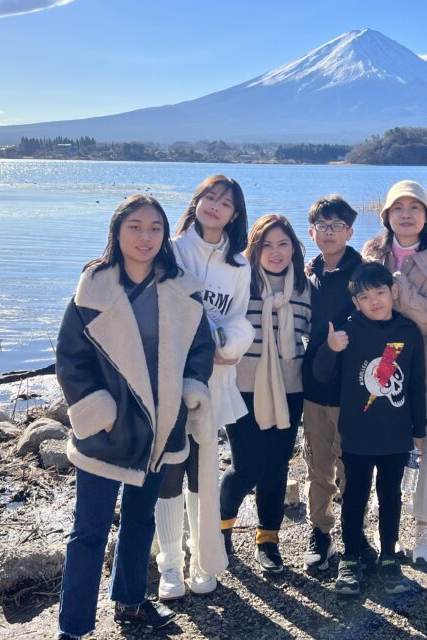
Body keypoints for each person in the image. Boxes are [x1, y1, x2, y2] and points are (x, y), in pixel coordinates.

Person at [54, 195, 218, 638]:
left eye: (155, 228)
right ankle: (73, 627)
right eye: (135, 227)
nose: (145, 237)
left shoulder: (180, 285)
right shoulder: (95, 286)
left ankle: (129, 602)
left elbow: (202, 347)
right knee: (88, 531)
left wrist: (190, 390)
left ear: (165, 235)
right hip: (108, 428)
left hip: (161, 424)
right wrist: (99, 411)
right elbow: (70, 357)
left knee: (140, 520)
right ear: (117, 231)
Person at [155, 175, 254, 599]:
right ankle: (169, 565)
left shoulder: (240, 264)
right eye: (209, 197)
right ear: (196, 202)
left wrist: (230, 342)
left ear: (235, 214)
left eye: (225, 202)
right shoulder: (172, 251)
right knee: (169, 468)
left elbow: (238, 316)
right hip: (168, 378)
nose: (215, 206)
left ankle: (202, 558)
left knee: (202, 469)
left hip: (213, 379)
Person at [313, 262, 427, 596]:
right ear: (356, 301)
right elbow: (321, 375)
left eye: (379, 292)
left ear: (392, 292)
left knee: (390, 495)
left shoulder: (407, 331)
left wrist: (419, 429)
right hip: (357, 435)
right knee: (354, 496)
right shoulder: (348, 330)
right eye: (365, 297)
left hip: (396, 434)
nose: (374, 301)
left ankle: (389, 557)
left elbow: (417, 385)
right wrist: (329, 348)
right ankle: (350, 559)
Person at [362, 180, 427, 563]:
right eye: (399, 207)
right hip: (378, 366)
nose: (407, 214)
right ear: (387, 215)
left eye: (415, 208)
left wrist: (399, 288)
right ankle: (386, 526)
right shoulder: (371, 253)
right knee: (381, 445)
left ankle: (424, 526)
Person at [219, 214, 311, 574]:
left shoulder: (304, 287)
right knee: (245, 466)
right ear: (254, 249)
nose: (275, 252)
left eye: (283, 244)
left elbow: (316, 336)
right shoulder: (241, 281)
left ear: (294, 248)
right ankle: (221, 530)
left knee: (275, 466)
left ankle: (268, 540)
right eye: (267, 244)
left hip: (290, 388)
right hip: (243, 386)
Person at [301, 195, 362, 570]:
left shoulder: (364, 272)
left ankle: (354, 537)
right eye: (322, 226)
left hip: (353, 389)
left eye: (336, 226)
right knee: (317, 465)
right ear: (312, 232)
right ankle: (320, 533)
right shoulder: (310, 274)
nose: (329, 232)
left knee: (352, 468)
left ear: (349, 231)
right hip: (314, 388)